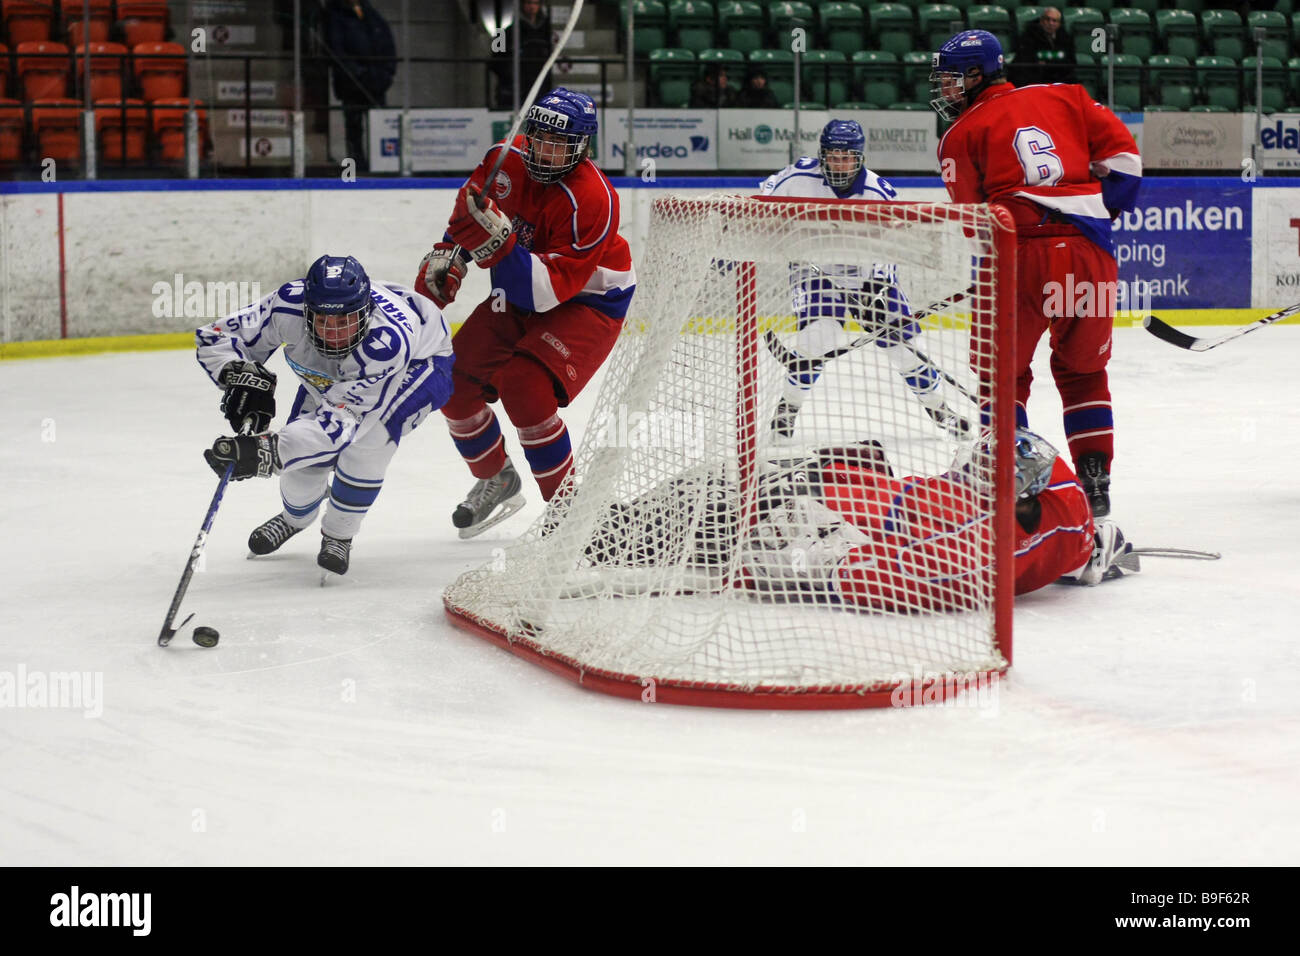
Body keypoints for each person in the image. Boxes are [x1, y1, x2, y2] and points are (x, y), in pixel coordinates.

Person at [930, 29, 1141, 517]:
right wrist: (1085, 212)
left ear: (976, 75)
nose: (944, 91)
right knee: (1084, 373)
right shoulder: (1068, 96)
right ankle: (1095, 486)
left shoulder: (959, 136)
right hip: (1089, 255)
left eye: (950, 80)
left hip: (1017, 257)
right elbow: (1127, 168)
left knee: (1002, 378)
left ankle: (1011, 485)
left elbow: (975, 225)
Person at [414, 88, 636, 538]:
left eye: (561, 145)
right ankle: (497, 479)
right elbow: (468, 214)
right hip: (522, 284)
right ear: (528, 133)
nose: (546, 153)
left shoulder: (594, 199)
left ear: (583, 147)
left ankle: (567, 513)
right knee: (453, 383)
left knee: (524, 386)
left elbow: (545, 295)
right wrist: (450, 254)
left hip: (586, 301)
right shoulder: (504, 160)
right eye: (540, 138)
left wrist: (496, 244)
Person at [196, 255, 454, 576]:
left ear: (365, 312)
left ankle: (339, 532)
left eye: (344, 321)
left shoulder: (386, 346)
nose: (332, 333)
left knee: (368, 442)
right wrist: (237, 375)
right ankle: (296, 518)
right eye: (322, 320)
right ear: (306, 309)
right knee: (301, 465)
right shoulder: (287, 305)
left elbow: (341, 426)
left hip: (422, 363)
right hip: (353, 370)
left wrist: (266, 451)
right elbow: (217, 337)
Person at [739, 430, 1137, 610]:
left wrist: (821, 560)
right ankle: (1093, 553)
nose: (967, 474)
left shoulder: (968, 555)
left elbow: (878, 576)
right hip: (1070, 546)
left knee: (857, 491)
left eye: (981, 474)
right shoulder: (1064, 493)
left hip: (933, 543)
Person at [758, 119, 971, 440]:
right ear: (822, 155)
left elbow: (892, 247)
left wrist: (879, 288)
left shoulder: (878, 192)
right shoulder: (799, 177)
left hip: (868, 277)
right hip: (816, 273)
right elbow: (759, 199)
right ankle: (785, 416)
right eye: (833, 156)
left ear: (860, 158)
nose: (840, 164)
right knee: (817, 340)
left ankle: (941, 411)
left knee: (908, 350)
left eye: (847, 157)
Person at [322, 0, 396, 169]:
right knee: (354, 128)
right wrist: (358, 74)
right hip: (352, 84)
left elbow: (388, 45)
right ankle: (357, 164)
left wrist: (385, 73)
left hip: (376, 82)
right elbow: (337, 50)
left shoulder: (372, 15)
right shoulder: (336, 17)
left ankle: (383, 163)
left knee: (380, 126)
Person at [490, 0, 553, 111]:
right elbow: (495, 60)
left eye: (535, 3)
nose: (532, 7)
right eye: (528, 3)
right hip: (515, 89)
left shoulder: (548, 31)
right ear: (522, 5)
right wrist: (510, 76)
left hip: (541, 86)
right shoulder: (504, 32)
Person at [1009, 7, 1077, 87]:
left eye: (1054, 21)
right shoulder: (1029, 36)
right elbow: (1028, 61)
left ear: (1059, 24)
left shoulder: (1065, 38)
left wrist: (1047, 63)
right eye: (1047, 19)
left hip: (1058, 79)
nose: (1051, 23)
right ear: (1041, 21)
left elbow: (1070, 62)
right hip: (1036, 80)